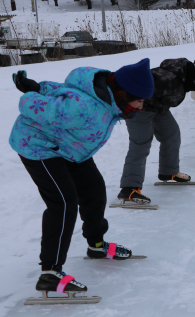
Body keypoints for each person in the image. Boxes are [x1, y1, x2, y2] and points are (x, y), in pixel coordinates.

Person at [9, 59, 154, 296]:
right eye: (139, 100)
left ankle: (96, 245)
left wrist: (39, 86)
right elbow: (34, 106)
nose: (140, 106)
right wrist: (31, 95)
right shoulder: (85, 108)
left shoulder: (103, 96)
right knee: (64, 203)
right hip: (38, 145)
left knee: (94, 191)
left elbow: (61, 91)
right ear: (124, 93)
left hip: (68, 147)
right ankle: (50, 273)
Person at [118, 56, 195, 204]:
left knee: (172, 134)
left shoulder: (182, 77)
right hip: (139, 109)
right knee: (141, 143)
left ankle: (168, 172)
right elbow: (137, 82)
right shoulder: (167, 79)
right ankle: (129, 188)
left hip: (158, 108)